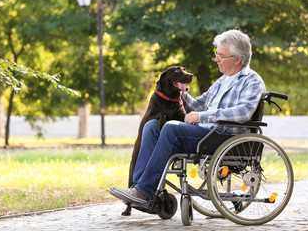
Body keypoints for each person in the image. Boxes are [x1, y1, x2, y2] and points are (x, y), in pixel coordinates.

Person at [110, 29, 266, 203]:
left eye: (221, 56)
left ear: (238, 59)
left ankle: (144, 191)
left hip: (225, 138)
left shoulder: (252, 80)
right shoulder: (223, 80)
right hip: (205, 135)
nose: (216, 59)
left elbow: (243, 112)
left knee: (170, 128)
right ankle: (137, 189)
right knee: (152, 126)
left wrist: (202, 117)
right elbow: (197, 105)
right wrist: (172, 85)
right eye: (217, 54)